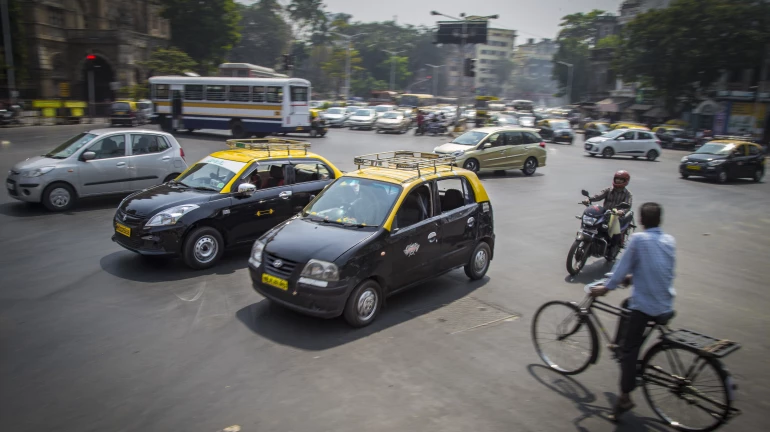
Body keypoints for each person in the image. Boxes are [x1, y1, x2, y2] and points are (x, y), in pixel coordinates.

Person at [590, 202, 676, 420]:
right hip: (665, 301)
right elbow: (660, 269)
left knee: (630, 352)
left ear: (640, 220)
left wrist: (605, 288)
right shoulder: (669, 240)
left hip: (647, 306)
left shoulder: (639, 239)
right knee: (626, 306)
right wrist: (634, 278)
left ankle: (624, 398)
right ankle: (618, 343)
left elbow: (620, 269)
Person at [583, 170, 633, 251]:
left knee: (615, 233)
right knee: (593, 225)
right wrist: (589, 199)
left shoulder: (627, 194)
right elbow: (598, 196)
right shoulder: (608, 190)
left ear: (625, 181)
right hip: (605, 213)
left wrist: (622, 211)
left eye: (621, 179)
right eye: (617, 178)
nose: (618, 181)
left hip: (617, 216)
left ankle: (612, 249)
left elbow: (628, 205)